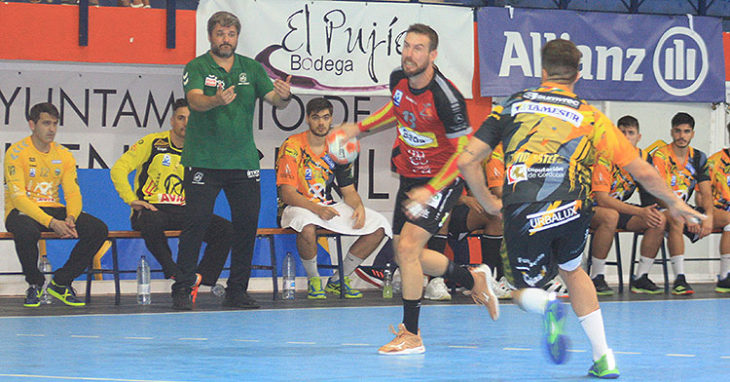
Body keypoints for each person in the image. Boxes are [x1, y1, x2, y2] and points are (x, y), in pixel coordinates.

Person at [456, 39, 705, 378]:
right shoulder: (591, 116)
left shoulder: (514, 105)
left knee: (518, 290)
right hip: (573, 210)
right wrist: (676, 203)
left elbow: (468, 160)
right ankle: (604, 357)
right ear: (578, 75)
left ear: (542, 72)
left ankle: (547, 305)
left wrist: (487, 202)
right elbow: (643, 171)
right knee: (574, 271)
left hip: (525, 210)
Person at [332, 23, 499, 355]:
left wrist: (430, 189)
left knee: (408, 250)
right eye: (407, 46)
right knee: (407, 253)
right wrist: (359, 127)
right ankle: (472, 279)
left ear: (433, 54)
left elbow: (464, 155)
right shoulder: (399, 79)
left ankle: (412, 334)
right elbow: (395, 108)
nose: (409, 53)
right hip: (410, 176)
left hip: (442, 180)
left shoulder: (446, 98)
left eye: (418, 48)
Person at [173, 11, 294, 310]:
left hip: (243, 162)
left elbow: (274, 100)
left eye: (230, 34)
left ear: (237, 37)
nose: (225, 40)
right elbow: (195, 100)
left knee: (246, 226)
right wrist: (216, 100)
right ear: (210, 36)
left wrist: (284, 96)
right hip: (204, 160)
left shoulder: (251, 68)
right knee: (196, 225)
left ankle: (237, 289)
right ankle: (182, 287)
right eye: (220, 34)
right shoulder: (197, 66)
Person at [110, 98, 233, 304]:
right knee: (151, 221)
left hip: (186, 211)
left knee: (226, 229)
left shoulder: (201, 149)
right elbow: (118, 169)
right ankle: (174, 271)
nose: (186, 123)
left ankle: (198, 278)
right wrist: (132, 200)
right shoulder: (153, 142)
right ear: (171, 121)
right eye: (181, 118)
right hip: (153, 209)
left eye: (191, 119)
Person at [276, 97, 391, 299]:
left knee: (379, 226)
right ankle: (314, 281)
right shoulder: (292, 145)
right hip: (295, 206)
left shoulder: (338, 146)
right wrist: (317, 209)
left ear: (331, 119)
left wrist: (359, 207)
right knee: (307, 225)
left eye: (326, 117)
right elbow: (287, 193)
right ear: (307, 119)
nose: (321, 123)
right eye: (316, 118)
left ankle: (338, 280)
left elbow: (348, 191)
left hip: (327, 206)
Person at [4, 102, 109, 307]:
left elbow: (72, 193)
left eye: (54, 124)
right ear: (32, 124)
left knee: (98, 229)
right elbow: (19, 198)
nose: (51, 129)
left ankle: (61, 282)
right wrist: (52, 223)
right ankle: (34, 284)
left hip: (52, 208)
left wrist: (71, 217)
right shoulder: (16, 153)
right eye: (46, 123)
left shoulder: (63, 155)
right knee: (26, 232)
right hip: (21, 211)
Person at [589, 116, 666, 295]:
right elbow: (602, 199)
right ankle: (596, 277)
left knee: (658, 218)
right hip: (589, 207)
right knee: (610, 216)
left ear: (638, 137)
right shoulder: (604, 155)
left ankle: (640, 278)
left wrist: (674, 207)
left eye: (630, 133)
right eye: (621, 132)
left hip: (618, 207)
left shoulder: (643, 158)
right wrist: (640, 211)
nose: (625, 136)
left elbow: (650, 193)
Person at [649, 112, 713, 295]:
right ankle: (680, 279)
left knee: (727, 221)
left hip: (685, 209)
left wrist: (708, 218)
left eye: (686, 131)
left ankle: (725, 276)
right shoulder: (660, 155)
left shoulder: (699, 157)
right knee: (677, 219)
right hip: (663, 207)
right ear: (671, 132)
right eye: (678, 131)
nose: (682, 136)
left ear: (692, 134)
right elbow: (658, 193)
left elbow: (706, 192)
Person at [701, 121, 730, 293]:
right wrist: (710, 212)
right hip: (718, 212)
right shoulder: (714, 162)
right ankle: (725, 275)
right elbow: (700, 196)